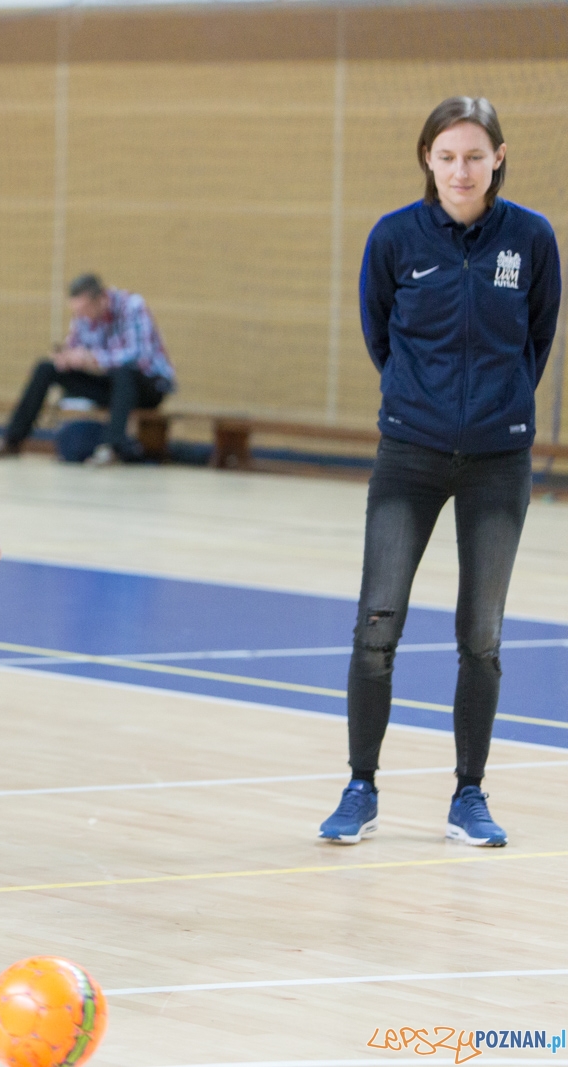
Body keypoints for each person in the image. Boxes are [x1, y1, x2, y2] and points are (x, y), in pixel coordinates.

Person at [320, 96, 560, 849]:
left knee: (481, 636)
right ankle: (361, 786)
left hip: (498, 460)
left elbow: (539, 334)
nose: (461, 169)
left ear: (499, 157)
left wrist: (498, 406)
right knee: (376, 625)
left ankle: (469, 794)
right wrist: (419, 403)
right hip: (409, 455)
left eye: (475, 155)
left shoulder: (532, 238)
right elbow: (378, 331)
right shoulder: (394, 237)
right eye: (447, 155)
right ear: (427, 157)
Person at [0, 274, 176, 464]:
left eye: (84, 310)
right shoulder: (82, 316)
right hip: (113, 387)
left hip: (149, 386)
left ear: (100, 299)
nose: (81, 316)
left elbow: (138, 355)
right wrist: (66, 357)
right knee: (46, 369)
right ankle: (11, 440)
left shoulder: (132, 306)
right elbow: (75, 346)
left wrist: (93, 358)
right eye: (77, 311)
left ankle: (110, 447)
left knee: (123, 372)